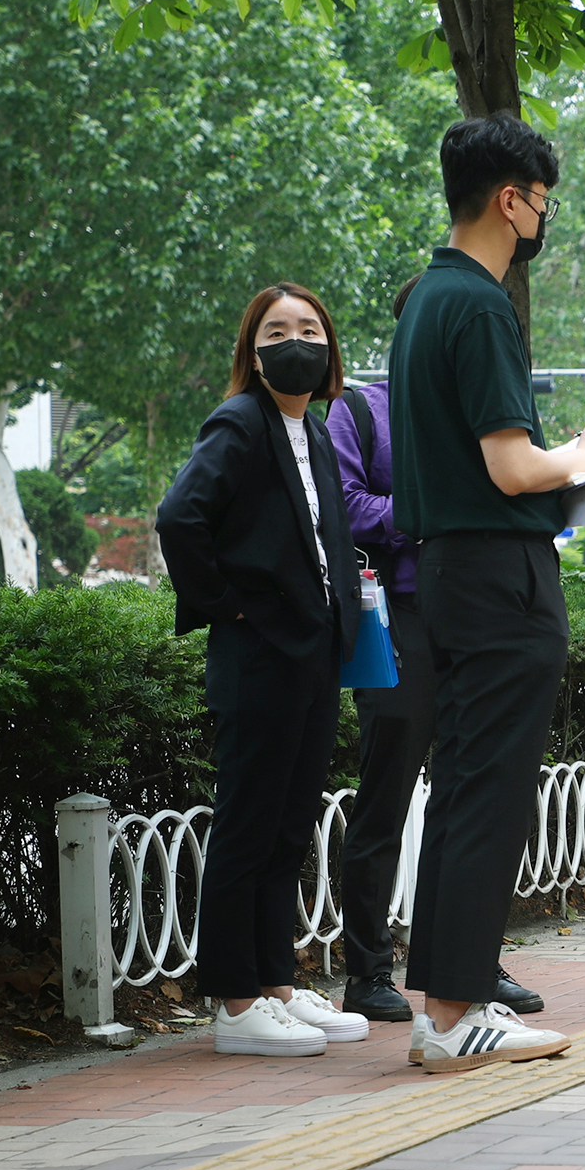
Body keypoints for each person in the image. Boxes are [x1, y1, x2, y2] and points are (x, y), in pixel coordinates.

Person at [390, 113, 585, 1072]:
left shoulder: (422, 301)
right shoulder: (481, 306)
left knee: (462, 788)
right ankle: (456, 1014)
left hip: (449, 571)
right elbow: (511, 467)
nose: (544, 214)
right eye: (542, 198)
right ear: (510, 198)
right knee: (490, 791)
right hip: (499, 574)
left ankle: (445, 1007)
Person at [156, 283, 371, 1057]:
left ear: (330, 347)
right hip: (258, 654)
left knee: (289, 824)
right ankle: (236, 1002)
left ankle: (277, 985)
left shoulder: (308, 429)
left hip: (312, 652)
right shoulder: (241, 421)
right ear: (253, 351)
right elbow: (181, 517)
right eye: (278, 330)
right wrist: (228, 604)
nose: (297, 341)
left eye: (310, 328)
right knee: (248, 827)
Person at [329, 277, 545, 1024]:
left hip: (480, 610)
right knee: (387, 793)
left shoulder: (492, 420)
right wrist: (433, 508)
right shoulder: (360, 409)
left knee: (472, 793)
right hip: (399, 617)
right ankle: (366, 971)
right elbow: (345, 504)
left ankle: (469, 963)